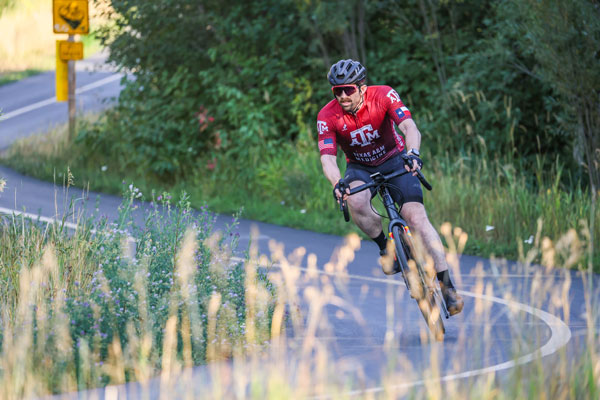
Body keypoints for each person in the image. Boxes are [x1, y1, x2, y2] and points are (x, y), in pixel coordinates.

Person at [317, 59, 464, 315]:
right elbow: (328, 157)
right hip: (360, 168)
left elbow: (409, 126)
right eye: (337, 91)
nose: (342, 96)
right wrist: (337, 183)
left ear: (362, 87)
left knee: (417, 219)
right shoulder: (327, 116)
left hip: (395, 159)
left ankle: (447, 285)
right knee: (356, 201)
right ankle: (385, 247)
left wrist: (413, 153)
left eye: (348, 89)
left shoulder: (384, 95)